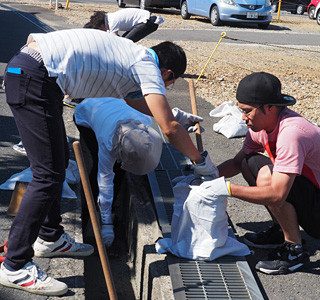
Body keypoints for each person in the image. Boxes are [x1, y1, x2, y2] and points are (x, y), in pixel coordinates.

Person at [0, 28, 216, 296]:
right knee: (47, 176)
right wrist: (200, 161)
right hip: (36, 80)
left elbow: (136, 101)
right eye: (168, 86)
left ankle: (50, 237)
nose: (164, 88)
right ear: (167, 74)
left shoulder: (128, 53)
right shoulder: (146, 65)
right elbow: (168, 130)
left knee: (55, 166)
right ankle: (15, 265)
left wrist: (177, 116)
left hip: (38, 77)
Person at [218, 72, 320, 275]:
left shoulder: (292, 132)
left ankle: (295, 250)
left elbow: (276, 194)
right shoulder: (258, 128)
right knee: (250, 162)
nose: (243, 118)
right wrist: (204, 176)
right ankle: (280, 230)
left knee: (268, 179)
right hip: (308, 194)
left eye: (247, 111)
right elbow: (238, 163)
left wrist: (226, 189)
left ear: (269, 107)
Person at [74, 97, 205, 247]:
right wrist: (106, 225)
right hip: (86, 114)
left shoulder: (142, 122)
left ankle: (111, 211)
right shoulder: (107, 143)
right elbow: (105, 182)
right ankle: (88, 218)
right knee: (93, 171)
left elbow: (161, 115)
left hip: (114, 108)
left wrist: (180, 120)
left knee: (120, 171)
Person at [84, 8, 164, 42]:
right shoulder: (109, 17)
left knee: (126, 42)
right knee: (123, 40)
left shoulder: (112, 21)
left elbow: (113, 38)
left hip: (148, 22)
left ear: (101, 25)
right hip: (144, 20)